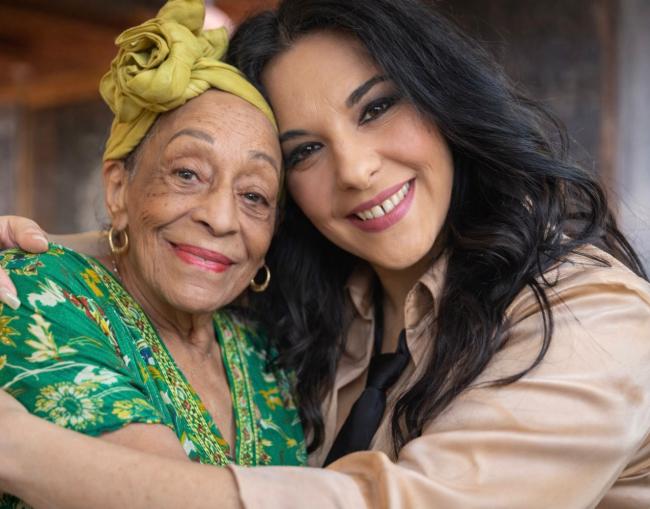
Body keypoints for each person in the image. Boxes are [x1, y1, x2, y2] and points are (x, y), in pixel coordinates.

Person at [1, 0, 650, 507]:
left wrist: (19, 450)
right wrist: (37, 254)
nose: (356, 170)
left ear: (442, 98)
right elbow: (181, 245)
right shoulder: (329, 311)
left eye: (376, 108)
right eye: (306, 150)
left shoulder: (592, 319)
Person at [0, 1, 307, 507]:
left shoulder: (263, 351)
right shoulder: (34, 290)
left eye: (254, 195)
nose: (222, 218)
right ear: (119, 189)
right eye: (187, 173)